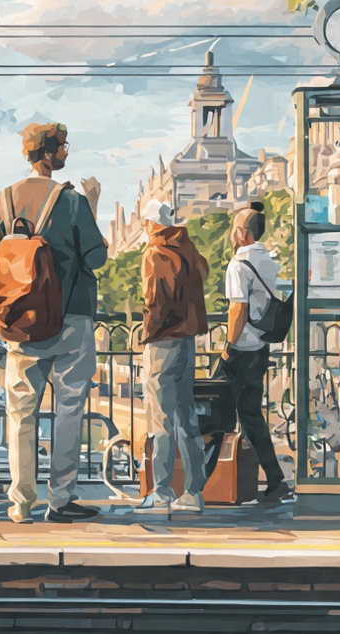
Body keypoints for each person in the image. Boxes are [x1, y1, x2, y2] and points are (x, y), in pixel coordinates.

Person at [0, 122, 108, 524]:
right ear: (50, 154)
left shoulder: (0, 202)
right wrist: (93, 205)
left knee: (20, 413)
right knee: (69, 409)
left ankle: (20, 502)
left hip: (20, 323)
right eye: (63, 146)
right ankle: (61, 499)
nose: (67, 151)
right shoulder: (71, 200)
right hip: (71, 320)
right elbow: (98, 258)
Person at [138, 198, 210, 513]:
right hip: (188, 339)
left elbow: (155, 299)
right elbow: (203, 274)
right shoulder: (188, 249)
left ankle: (161, 490)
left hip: (162, 341)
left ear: (152, 224)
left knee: (160, 420)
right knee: (186, 417)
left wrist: (147, 333)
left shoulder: (154, 253)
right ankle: (194, 492)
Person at [218, 202, 291, 503]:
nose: (232, 234)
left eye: (235, 228)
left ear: (244, 234)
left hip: (241, 348)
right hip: (260, 346)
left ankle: (208, 481)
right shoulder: (270, 261)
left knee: (212, 411)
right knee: (250, 416)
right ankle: (274, 480)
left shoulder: (238, 265)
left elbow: (238, 309)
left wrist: (226, 348)